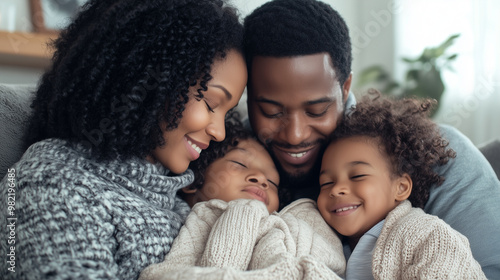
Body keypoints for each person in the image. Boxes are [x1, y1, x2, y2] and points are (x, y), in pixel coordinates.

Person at [243, 0, 500, 277]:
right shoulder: (231, 156)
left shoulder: (437, 154)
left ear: (345, 88)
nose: (295, 135)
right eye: (271, 111)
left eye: (317, 110)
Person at [0, 0, 247, 279]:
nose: (219, 132)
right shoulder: (51, 182)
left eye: (226, 115)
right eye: (212, 103)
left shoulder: (177, 197)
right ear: (148, 79)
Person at [139, 116, 346, 280]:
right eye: (240, 164)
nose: (262, 180)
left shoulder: (282, 227)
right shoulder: (185, 227)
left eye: (272, 182)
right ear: (192, 182)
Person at [317, 92, 486, 279]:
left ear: (401, 187)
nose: (336, 189)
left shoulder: (427, 234)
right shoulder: (326, 243)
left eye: (357, 176)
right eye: (327, 183)